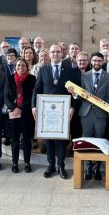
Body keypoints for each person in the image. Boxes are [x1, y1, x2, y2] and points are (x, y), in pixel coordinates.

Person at [32, 44, 79, 179]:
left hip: (63, 113)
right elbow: (37, 89)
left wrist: (73, 107)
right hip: (47, 112)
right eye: (53, 52)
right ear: (49, 54)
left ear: (62, 54)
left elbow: (75, 92)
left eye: (58, 52)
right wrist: (34, 106)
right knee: (50, 141)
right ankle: (51, 166)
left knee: (62, 141)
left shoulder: (70, 70)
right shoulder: (43, 69)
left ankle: (61, 166)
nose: (55, 54)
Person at [68, 52, 109, 181]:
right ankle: (88, 167)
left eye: (99, 61)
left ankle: (97, 167)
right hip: (86, 112)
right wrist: (75, 94)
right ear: (91, 62)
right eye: (94, 61)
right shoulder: (84, 76)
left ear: (103, 62)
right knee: (88, 140)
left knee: (99, 140)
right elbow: (81, 95)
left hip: (101, 114)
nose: (97, 63)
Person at [6, 57, 36, 173]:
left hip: (26, 114)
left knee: (27, 139)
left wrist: (21, 108)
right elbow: (6, 96)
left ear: (26, 67)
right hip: (13, 114)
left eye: (23, 65)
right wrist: (14, 108)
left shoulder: (32, 79)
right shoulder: (9, 79)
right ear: (15, 67)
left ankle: (27, 162)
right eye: (18, 65)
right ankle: (15, 163)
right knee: (14, 139)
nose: (20, 67)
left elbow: (32, 96)